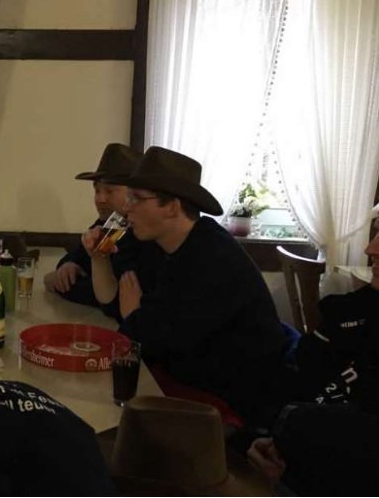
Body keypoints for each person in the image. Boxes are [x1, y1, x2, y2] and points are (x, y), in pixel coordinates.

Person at [83, 146, 289, 426]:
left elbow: (148, 343)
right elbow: (132, 318)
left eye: (136, 198)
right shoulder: (175, 246)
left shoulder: (210, 257)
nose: (127, 207)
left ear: (172, 207)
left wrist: (134, 315)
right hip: (198, 382)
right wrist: (133, 314)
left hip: (234, 406)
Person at [247, 223, 379, 495]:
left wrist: (288, 430)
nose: (370, 249)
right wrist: (270, 433)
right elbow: (307, 369)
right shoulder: (354, 309)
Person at [43, 143, 141, 317]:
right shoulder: (114, 224)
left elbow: (103, 295)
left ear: (133, 193)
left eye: (110, 191)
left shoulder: (142, 233)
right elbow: (79, 254)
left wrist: (56, 281)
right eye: (97, 190)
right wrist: (69, 265)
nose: (100, 199)